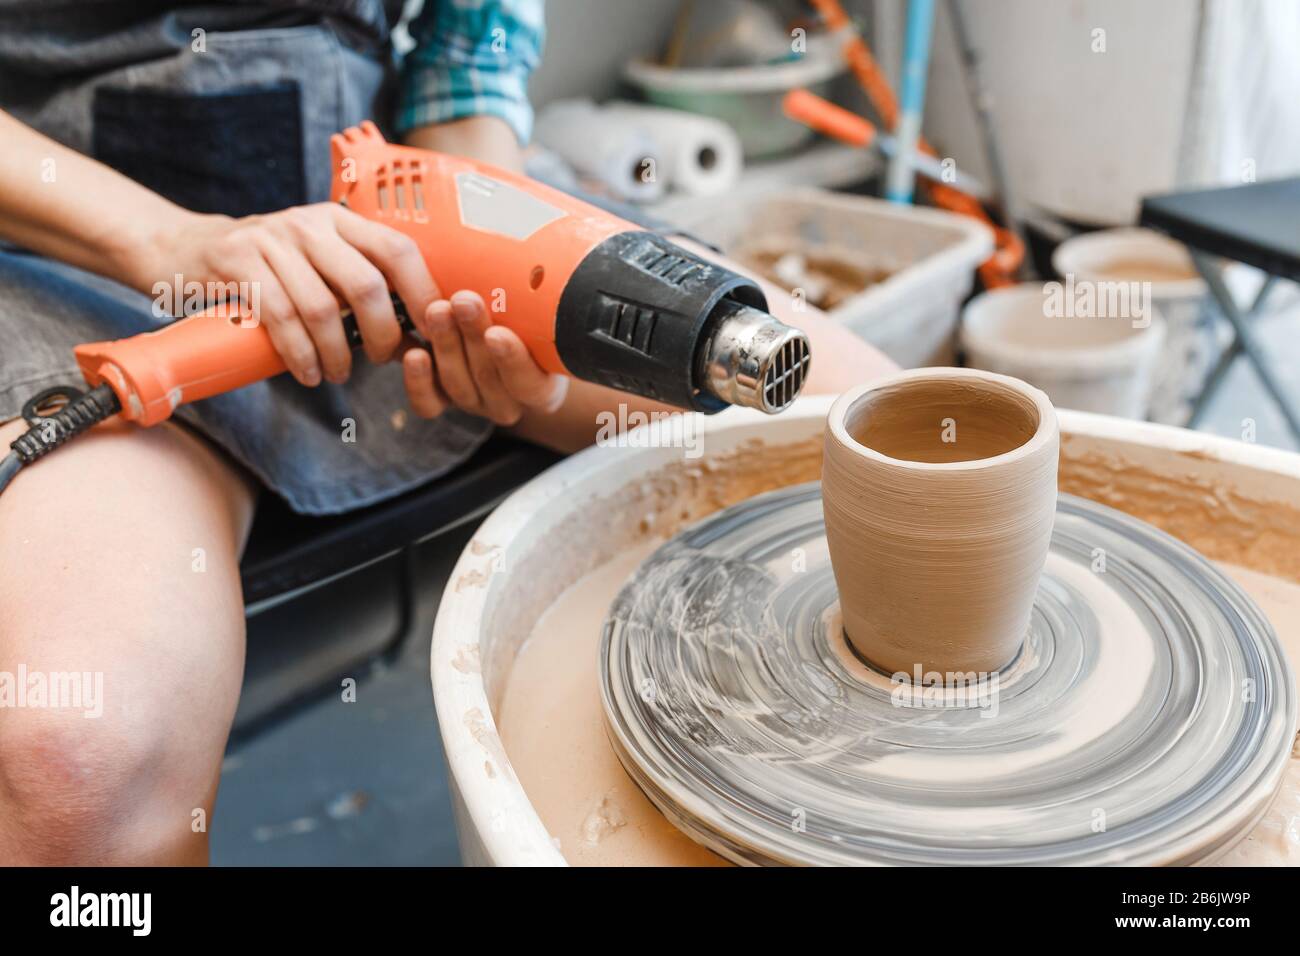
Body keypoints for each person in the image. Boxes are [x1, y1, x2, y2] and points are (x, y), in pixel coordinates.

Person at [0, 0, 895, 864]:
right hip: (78, 246)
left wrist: (489, 282)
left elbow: (468, 63)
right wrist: (166, 246)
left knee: (896, 449)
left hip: (384, 231)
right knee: (78, 760)